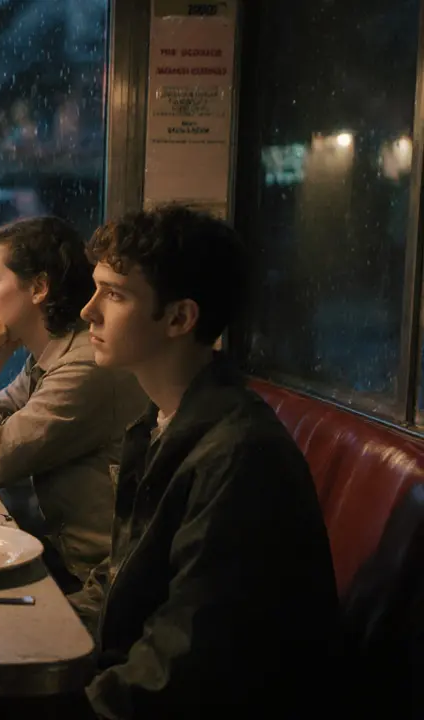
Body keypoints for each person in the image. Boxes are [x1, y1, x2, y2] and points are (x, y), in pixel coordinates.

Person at [75, 205, 339, 717]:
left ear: (180, 317)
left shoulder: (240, 457)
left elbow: (184, 665)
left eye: (114, 293)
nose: (88, 311)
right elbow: (119, 585)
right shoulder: (162, 422)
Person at [0, 216, 147, 594]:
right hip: (53, 554)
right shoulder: (48, 355)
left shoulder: (84, 367)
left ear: (39, 287)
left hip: (88, 579)